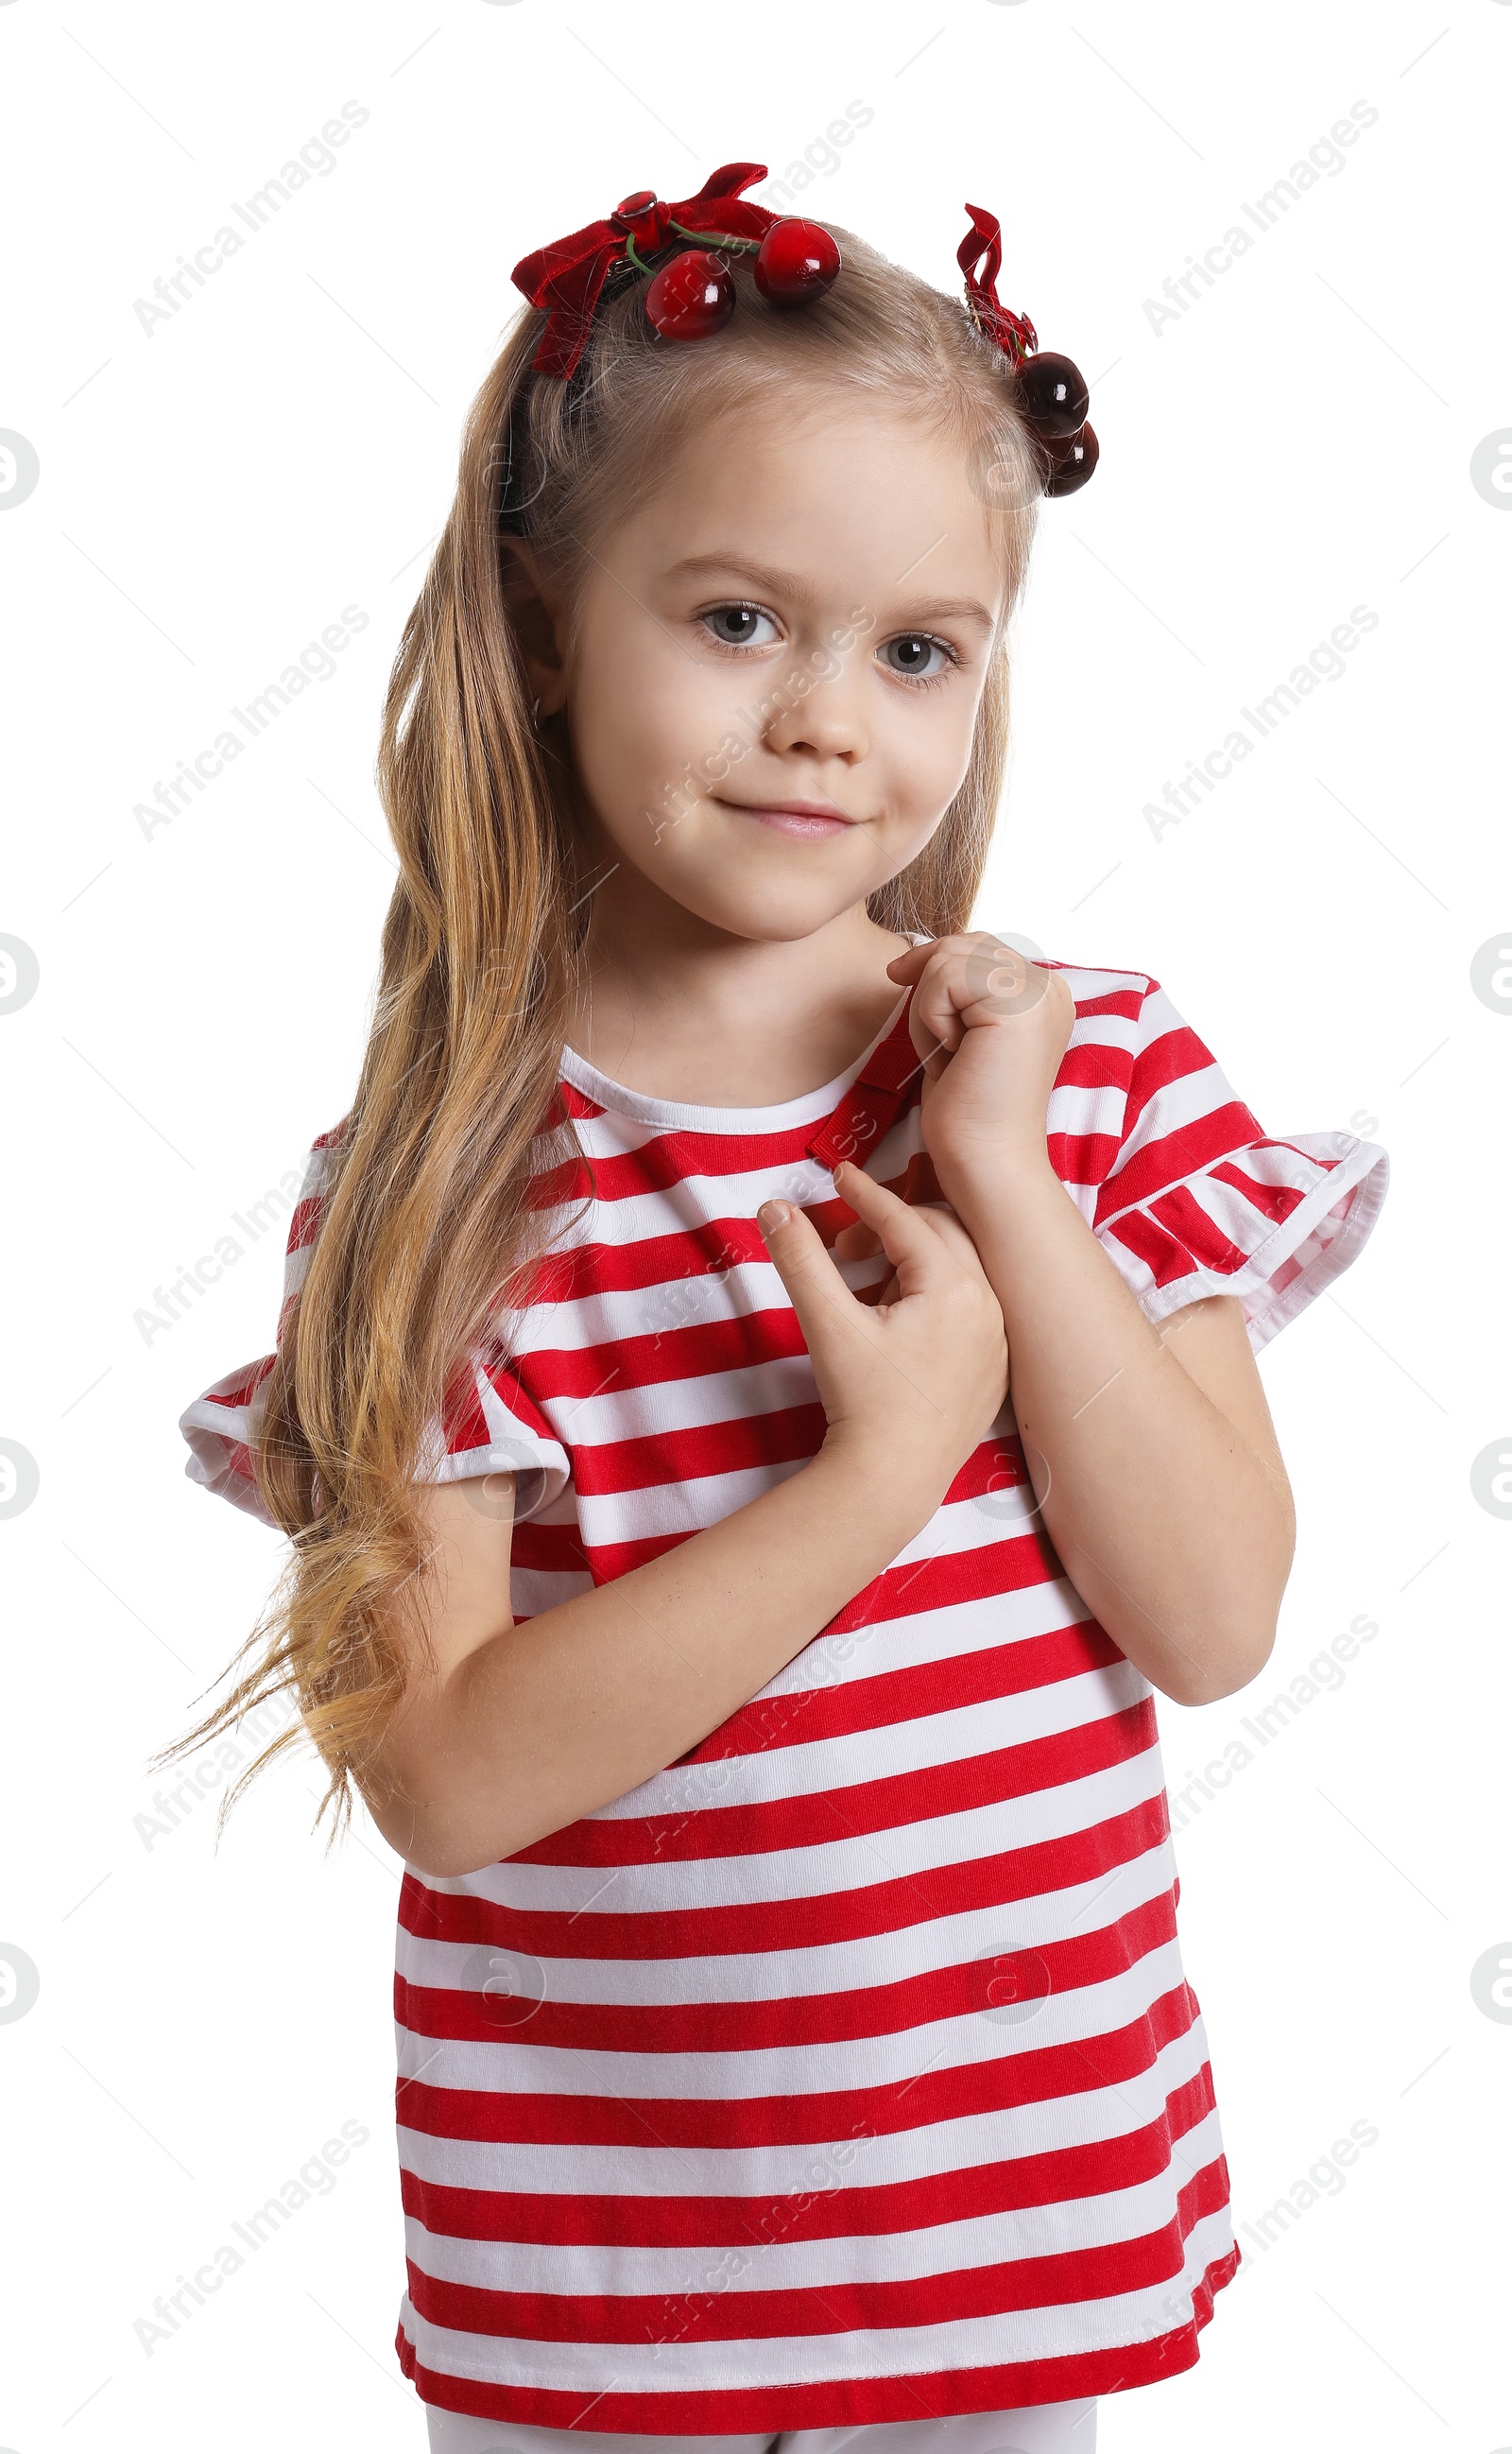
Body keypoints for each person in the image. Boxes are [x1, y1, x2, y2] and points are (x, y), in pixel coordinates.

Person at [165, 166, 1389, 2452]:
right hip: (603, 2275)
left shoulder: (1085, 1076)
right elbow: (443, 1778)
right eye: (738, 620)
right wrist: (878, 1471)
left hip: (1005, 2222)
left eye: (914, 648)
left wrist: (1006, 1181)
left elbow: (1210, 1617)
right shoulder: (439, 1190)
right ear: (544, 617)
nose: (830, 720)